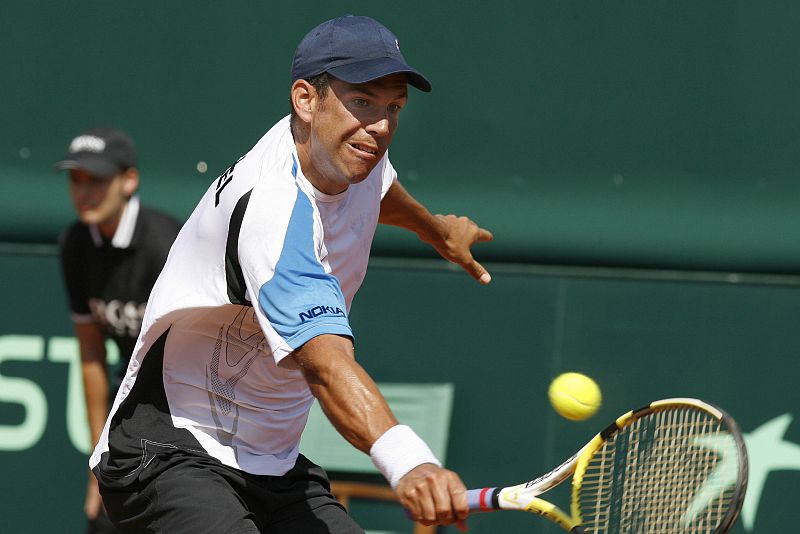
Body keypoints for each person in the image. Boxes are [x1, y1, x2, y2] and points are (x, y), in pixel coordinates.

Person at [90, 15, 493, 533]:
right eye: (362, 101)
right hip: (169, 448)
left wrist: (436, 231)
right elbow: (325, 364)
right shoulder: (274, 214)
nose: (380, 126)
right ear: (305, 99)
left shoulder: (350, 154)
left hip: (273, 465)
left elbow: (380, 191)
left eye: (393, 107)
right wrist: (409, 461)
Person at [55, 126, 182, 534]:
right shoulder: (74, 245)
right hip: (129, 408)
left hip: (190, 409)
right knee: (104, 519)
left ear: (129, 181)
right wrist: (98, 458)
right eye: (77, 180)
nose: (84, 192)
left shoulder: (166, 245)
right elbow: (91, 353)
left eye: (96, 180)